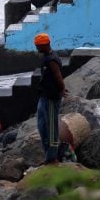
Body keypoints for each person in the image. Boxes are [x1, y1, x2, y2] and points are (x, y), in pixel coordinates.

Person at [34, 32, 67, 165]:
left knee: (52, 128)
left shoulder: (52, 59)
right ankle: (48, 155)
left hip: (52, 98)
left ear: (46, 45)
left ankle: (52, 158)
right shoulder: (46, 57)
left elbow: (58, 76)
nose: (37, 48)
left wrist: (62, 89)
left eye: (39, 46)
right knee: (42, 126)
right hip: (44, 96)